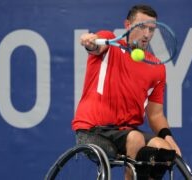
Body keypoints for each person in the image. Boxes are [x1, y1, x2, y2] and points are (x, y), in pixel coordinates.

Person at [72, 4, 181, 179]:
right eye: (142, 27)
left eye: (151, 29)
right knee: (136, 139)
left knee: (164, 150)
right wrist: (90, 42)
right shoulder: (110, 44)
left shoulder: (156, 68)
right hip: (92, 131)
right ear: (128, 25)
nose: (147, 34)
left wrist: (169, 137)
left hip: (126, 133)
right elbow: (96, 45)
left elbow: (155, 114)